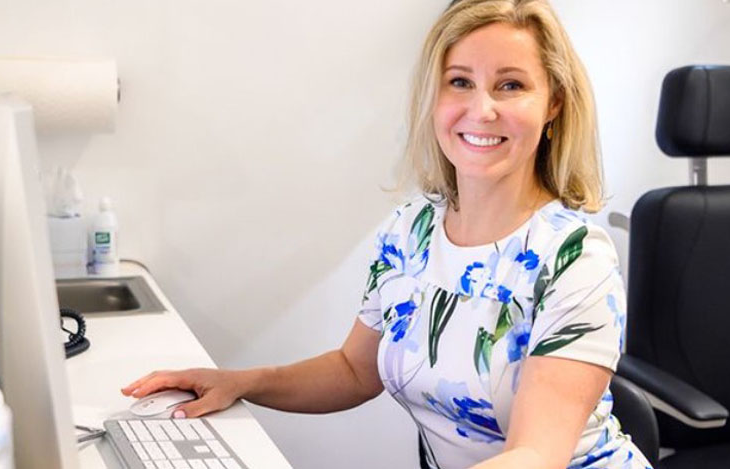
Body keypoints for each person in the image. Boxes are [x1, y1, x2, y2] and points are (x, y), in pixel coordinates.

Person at [123, 1, 653, 467]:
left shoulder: (574, 257)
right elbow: (355, 370)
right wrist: (240, 382)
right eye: (460, 81)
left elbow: (535, 454)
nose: (481, 109)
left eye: (510, 85)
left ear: (553, 103)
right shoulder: (412, 231)